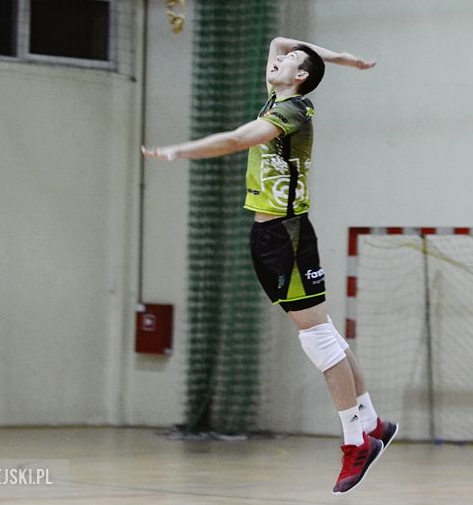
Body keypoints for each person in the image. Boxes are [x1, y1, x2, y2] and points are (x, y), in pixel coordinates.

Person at [142, 36, 398, 495]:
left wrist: (180, 151)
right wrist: (339, 59)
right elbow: (281, 39)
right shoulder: (278, 95)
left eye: (290, 62)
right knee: (326, 334)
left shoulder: (291, 112)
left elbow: (239, 140)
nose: (278, 58)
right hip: (267, 234)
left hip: (288, 234)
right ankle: (372, 422)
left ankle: (355, 441)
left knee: (318, 340)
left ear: (299, 77)